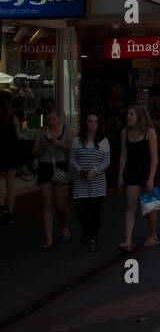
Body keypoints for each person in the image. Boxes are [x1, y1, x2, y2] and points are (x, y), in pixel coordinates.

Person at [118, 105, 160, 250]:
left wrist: (151, 178)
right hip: (131, 171)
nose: (128, 117)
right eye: (127, 114)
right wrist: (120, 176)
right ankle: (128, 240)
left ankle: (153, 232)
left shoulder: (149, 132)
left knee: (149, 205)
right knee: (130, 205)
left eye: (131, 114)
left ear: (139, 117)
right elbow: (123, 156)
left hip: (146, 170)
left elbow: (154, 157)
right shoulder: (124, 132)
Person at [69, 111, 111, 252]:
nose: (92, 124)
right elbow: (72, 159)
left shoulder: (103, 142)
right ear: (85, 123)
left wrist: (96, 170)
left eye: (95, 121)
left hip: (97, 183)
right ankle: (85, 229)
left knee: (95, 211)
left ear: (99, 124)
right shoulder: (77, 141)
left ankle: (93, 238)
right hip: (81, 182)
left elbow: (106, 161)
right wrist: (79, 169)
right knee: (81, 211)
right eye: (90, 121)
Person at [33, 103, 73, 249]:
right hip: (45, 166)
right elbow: (34, 152)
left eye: (53, 119)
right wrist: (43, 146)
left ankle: (65, 226)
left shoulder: (67, 129)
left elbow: (73, 149)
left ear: (59, 118)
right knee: (47, 204)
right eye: (48, 119)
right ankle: (48, 238)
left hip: (61, 165)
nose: (51, 122)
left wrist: (60, 144)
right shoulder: (41, 131)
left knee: (61, 205)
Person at [0, 91, 23, 226]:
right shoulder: (13, 118)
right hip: (11, 153)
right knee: (10, 184)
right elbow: (19, 137)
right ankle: (10, 212)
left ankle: (2, 205)